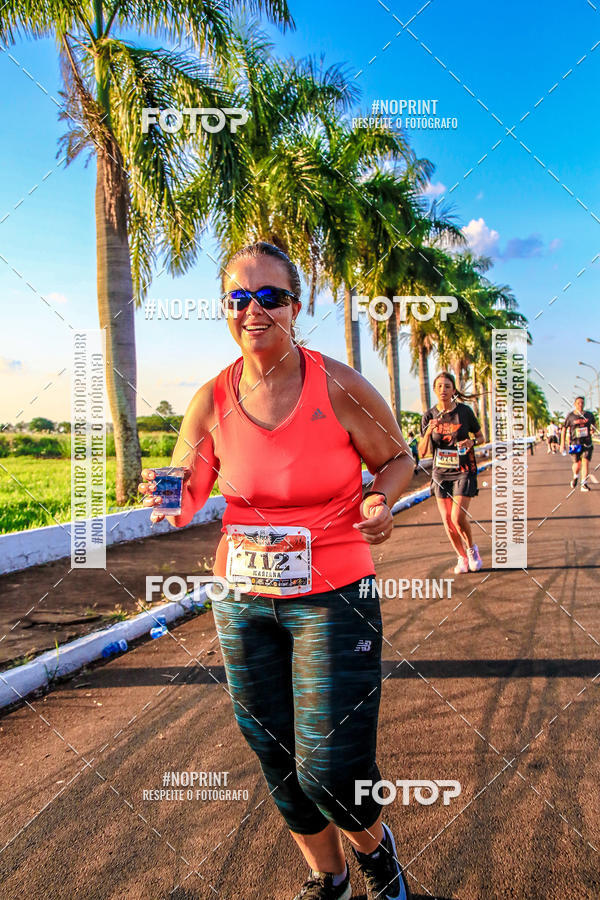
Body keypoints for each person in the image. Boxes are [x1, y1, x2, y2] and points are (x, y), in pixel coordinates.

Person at [139, 241, 415, 900]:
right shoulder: (212, 399)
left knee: (330, 767)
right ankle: (328, 877)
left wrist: (381, 498)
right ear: (225, 310)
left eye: (269, 296)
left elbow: (398, 458)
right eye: (239, 297)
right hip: (242, 599)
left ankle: (377, 854)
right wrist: (165, 498)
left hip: (334, 596)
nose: (253, 309)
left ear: (296, 306)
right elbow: (188, 494)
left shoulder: (338, 384)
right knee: (276, 755)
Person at [418, 372, 485, 574]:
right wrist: (429, 432)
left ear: (453, 390)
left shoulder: (464, 412)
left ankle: (472, 549)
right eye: (439, 386)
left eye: (447, 386)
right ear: (435, 390)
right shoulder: (429, 416)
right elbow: (422, 452)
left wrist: (470, 442)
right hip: (441, 473)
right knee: (447, 520)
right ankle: (461, 557)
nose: (443, 390)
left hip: (463, 470)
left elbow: (481, 437)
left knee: (457, 517)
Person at [560, 396, 597, 491]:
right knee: (577, 464)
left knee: (585, 462)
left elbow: (594, 425)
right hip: (574, 443)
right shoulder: (570, 416)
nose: (580, 405)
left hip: (587, 443)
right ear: (575, 404)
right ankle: (575, 476)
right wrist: (562, 444)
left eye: (582, 403)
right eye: (578, 403)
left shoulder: (589, 415)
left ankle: (584, 483)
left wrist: (593, 430)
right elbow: (564, 429)